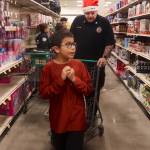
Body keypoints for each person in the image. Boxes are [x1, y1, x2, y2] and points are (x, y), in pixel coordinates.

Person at [40, 30, 93, 150]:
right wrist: (60, 80)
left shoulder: (79, 65)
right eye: (68, 44)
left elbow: (88, 90)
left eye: (73, 44)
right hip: (58, 119)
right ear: (57, 49)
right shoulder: (48, 68)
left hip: (77, 120)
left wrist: (75, 79)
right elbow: (44, 93)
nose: (73, 48)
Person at [70, 0, 115, 94]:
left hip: (96, 64)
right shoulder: (77, 20)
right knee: (76, 89)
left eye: (92, 13)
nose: (90, 15)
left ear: (96, 11)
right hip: (78, 62)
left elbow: (110, 43)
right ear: (84, 12)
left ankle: (92, 108)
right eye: (87, 13)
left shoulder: (104, 22)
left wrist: (104, 57)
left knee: (94, 90)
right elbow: (70, 39)